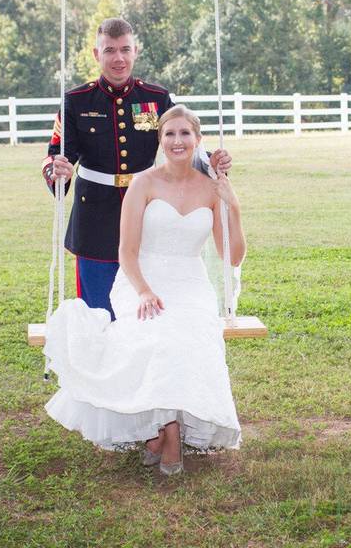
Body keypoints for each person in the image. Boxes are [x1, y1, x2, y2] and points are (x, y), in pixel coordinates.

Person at [42, 104, 245, 476]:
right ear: (160, 139)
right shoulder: (144, 183)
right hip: (141, 278)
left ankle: (164, 435)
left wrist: (233, 204)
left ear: (198, 140)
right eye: (170, 134)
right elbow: (127, 252)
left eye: (185, 134)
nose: (177, 141)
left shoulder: (211, 188)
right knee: (160, 336)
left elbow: (232, 256)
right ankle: (169, 434)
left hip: (191, 282)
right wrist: (145, 291)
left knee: (191, 335)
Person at [42, 17, 231, 317]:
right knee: (99, 316)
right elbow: (54, 156)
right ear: (96, 54)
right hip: (95, 221)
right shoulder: (76, 101)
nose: (118, 58)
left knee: (144, 316)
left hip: (151, 221)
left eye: (125, 49)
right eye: (110, 50)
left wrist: (212, 162)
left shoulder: (156, 98)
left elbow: (183, 142)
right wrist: (58, 171)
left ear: (135, 51)